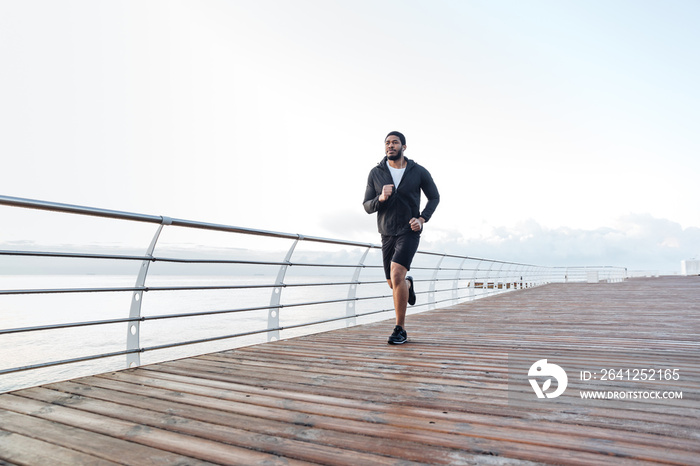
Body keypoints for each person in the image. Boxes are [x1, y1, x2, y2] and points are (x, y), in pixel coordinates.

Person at [363, 131, 440, 344]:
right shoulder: (376, 173)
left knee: (396, 273)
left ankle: (400, 329)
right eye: (387, 143)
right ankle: (408, 284)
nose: (390, 146)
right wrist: (380, 197)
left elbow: (434, 197)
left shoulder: (418, 171)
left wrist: (422, 219)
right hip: (386, 233)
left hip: (409, 231)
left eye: (395, 142)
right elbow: (367, 206)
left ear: (403, 147)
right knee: (393, 283)